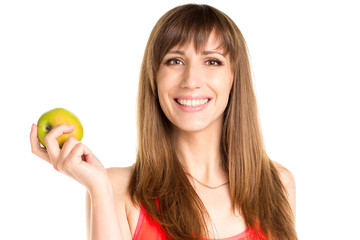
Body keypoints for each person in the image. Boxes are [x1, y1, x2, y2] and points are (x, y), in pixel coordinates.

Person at [30, 4, 297, 240]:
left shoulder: (277, 184)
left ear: (234, 78)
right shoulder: (116, 187)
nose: (191, 80)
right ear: (154, 78)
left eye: (212, 61)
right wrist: (99, 188)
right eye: (175, 61)